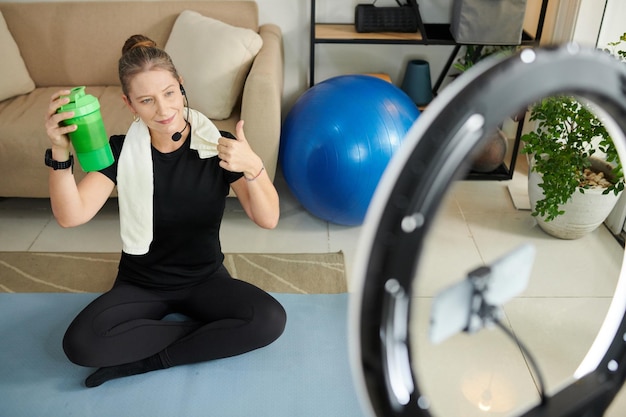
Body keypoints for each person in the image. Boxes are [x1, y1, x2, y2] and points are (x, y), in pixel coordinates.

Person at [44, 34, 287, 388]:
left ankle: (154, 360)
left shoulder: (216, 146)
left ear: (181, 86)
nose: (163, 110)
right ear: (130, 104)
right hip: (141, 283)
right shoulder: (120, 150)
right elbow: (71, 215)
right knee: (80, 345)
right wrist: (59, 152)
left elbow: (268, 218)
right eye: (147, 100)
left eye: (169, 93)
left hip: (205, 279)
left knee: (269, 319)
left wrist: (253, 166)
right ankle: (209, 333)